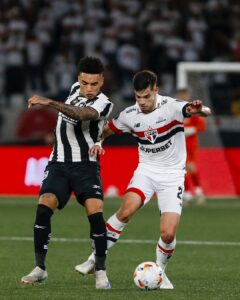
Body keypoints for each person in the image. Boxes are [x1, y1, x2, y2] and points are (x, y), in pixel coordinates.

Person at [74, 70, 211, 289]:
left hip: (172, 175)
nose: (143, 102)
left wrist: (199, 109)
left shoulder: (173, 106)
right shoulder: (130, 114)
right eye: (138, 97)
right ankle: (95, 258)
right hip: (146, 171)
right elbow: (106, 129)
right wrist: (99, 143)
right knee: (125, 211)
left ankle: (160, 271)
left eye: (147, 96)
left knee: (168, 233)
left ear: (156, 90)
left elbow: (204, 111)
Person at [21, 56, 113, 289]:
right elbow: (66, 120)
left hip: (86, 165)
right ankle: (40, 268)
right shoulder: (74, 90)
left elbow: (81, 115)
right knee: (44, 206)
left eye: (94, 84)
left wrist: (49, 102)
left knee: (95, 212)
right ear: (78, 80)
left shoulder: (104, 103)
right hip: (58, 164)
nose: (89, 88)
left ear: (101, 81)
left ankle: (101, 272)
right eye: (85, 83)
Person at [177, 89, 207, 205]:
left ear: (187, 95)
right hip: (178, 145)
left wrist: (189, 130)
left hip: (190, 145)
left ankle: (198, 192)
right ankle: (188, 194)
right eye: (181, 94)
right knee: (181, 169)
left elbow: (201, 126)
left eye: (184, 94)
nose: (183, 96)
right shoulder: (176, 110)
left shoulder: (192, 110)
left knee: (190, 167)